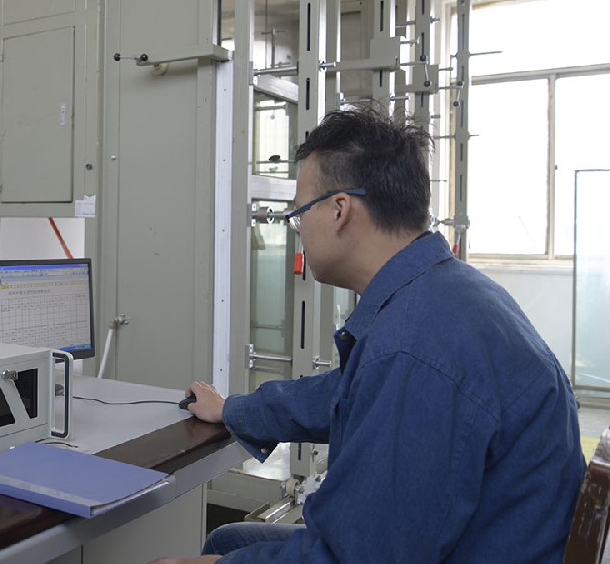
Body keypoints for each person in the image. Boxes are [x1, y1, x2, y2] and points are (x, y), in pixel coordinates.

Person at [150, 107, 585, 563]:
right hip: (487, 537)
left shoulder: (413, 347)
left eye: (300, 214)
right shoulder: (446, 291)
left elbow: (359, 558)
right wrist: (234, 409)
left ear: (340, 210)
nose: (300, 232)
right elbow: (347, 391)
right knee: (228, 541)